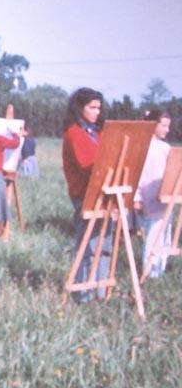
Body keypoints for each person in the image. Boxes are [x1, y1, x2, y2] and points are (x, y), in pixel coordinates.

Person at [62, 87, 110, 303]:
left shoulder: (98, 132)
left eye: (99, 107)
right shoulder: (74, 132)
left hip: (105, 192)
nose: (97, 112)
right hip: (85, 193)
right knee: (87, 243)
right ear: (80, 108)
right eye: (92, 107)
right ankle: (83, 293)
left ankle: (100, 290)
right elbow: (87, 163)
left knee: (104, 242)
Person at [134, 109, 173, 278]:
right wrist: (136, 197)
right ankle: (150, 272)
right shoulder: (141, 146)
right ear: (153, 125)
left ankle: (161, 270)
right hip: (148, 197)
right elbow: (135, 174)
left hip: (165, 197)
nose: (167, 130)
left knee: (166, 233)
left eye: (168, 126)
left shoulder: (166, 147)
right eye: (164, 126)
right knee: (153, 234)